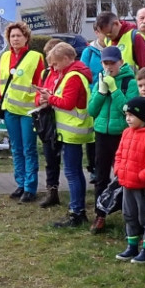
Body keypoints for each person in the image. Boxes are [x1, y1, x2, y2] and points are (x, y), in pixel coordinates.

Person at [36, 43, 94, 227]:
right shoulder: (72, 74)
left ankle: (77, 212)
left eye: (55, 64)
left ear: (67, 59)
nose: (53, 68)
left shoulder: (73, 76)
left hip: (73, 131)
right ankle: (77, 210)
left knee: (72, 172)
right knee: (74, 172)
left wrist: (49, 98)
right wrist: (51, 94)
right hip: (71, 130)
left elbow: (67, 103)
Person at [0, 21, 44, 202]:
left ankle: (30, 187)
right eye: (12, 36)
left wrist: (38, 105)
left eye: (19, 35)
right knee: (17, 149)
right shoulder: (4, 57)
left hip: (28, 112)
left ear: (26, 37)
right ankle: (20, 184)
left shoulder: (36, 57)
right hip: (10, 111)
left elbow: (40, 85)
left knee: (29, 149)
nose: (15, 39)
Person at [88, 46, 139, 233]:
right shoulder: (99, 79)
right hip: (102, 133)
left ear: (121, 62)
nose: (109, 66)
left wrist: (115, 89)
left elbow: (128, 109)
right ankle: (100, 214)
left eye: (112, 63)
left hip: (122, 134)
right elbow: (92, 110)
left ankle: (129, 215)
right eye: (105, 63)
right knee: (100, 176)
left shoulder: (129, 82)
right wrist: (101, 92)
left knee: (124, 176)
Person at [113, 96, 145, 264]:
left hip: (143, 186)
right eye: (126, 115)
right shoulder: (127, 133)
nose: (127, 118)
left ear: (142, 116)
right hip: (127, 183)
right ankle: (132, 246)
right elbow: (119, 154)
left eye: (131, 115)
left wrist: (142, 176)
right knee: (129, 215)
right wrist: (119, 169)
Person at [36, 39, 64, 208]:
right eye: (48, 55)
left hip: (65, 120)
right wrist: (40, 99)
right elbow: (38, 94)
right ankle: (51, 191)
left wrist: (51, 98)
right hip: (48, 120)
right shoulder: (46, 73)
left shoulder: (67, 73)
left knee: (69, 161)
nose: (50, 59)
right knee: (50, 157)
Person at [80, 30, 105, 183]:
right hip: (94, 97)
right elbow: (83, 74)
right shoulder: (89, 52)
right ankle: (94, 168)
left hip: (112, 98)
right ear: (96, 32)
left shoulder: (119, 47)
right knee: (93, 135)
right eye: (103, 32)